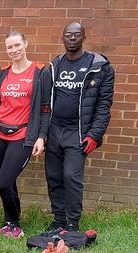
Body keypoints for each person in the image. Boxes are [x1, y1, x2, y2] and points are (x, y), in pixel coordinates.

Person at [45, 22, 114, 232]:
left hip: (79, 132)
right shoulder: (55, 65)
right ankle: (58, 221)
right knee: (54, 176)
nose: (72, 38)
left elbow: (104, 106)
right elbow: (45, 102)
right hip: (54, 130)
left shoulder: (100, 67)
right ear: (63, 38)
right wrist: (43, 132)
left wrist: (94, 135)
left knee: (71, 177)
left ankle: (72, 224)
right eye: (68, 35)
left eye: (76, 35)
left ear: (84, 37)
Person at [0, 31, 51, 238]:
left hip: (22, 136)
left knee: (3, 182)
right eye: (9, 47)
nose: (13, 50)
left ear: (25, 44)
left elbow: (45, 108)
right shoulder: (2, 73)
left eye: (17, 45)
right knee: (8, 181)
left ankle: (15, 224)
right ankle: (10, 222)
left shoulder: (40, 72)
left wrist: (41, 136)